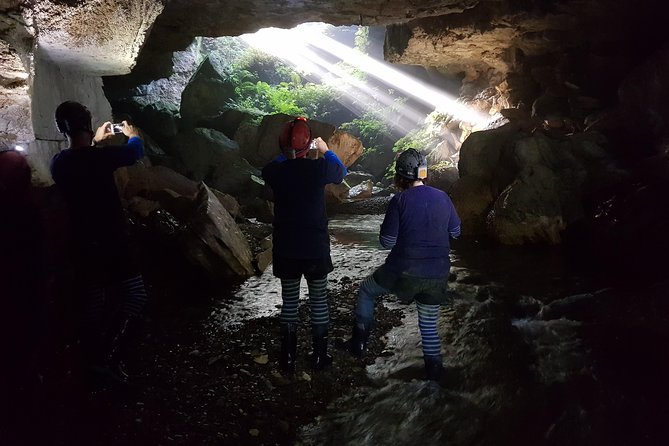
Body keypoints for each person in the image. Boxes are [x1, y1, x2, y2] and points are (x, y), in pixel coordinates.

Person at [50, 101, 148, 385]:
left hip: (81, 244)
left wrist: (93, 142)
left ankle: (93, 362)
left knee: (92, 302)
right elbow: (135, 152)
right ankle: (111, 357)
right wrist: (133, 134)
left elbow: (81, 158)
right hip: (112, 241)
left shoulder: (60, 163)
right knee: (135, 296)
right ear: (88, 123)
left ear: (61, 128)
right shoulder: (102, 158)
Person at [347, 148, 461, 381]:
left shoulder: (399, 200)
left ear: (399, 177)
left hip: (404, 270)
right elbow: (456, 232)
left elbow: (387, 242)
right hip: (438, 273)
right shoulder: (443, 197)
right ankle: (434, 373)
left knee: (367, 291)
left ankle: (358, 343)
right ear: (424, 173)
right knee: (428, 323)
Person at [262, 117, 347, 372]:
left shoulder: (276, 171)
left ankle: (287, 359)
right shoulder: (318, 169)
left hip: (286, 249)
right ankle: (319, 357)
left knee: (289, 302)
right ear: (308, 143)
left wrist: (289, 152)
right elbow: (340, 172)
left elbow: (269, 166)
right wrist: (324, 149)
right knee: (319, 301)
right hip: (314, 248)